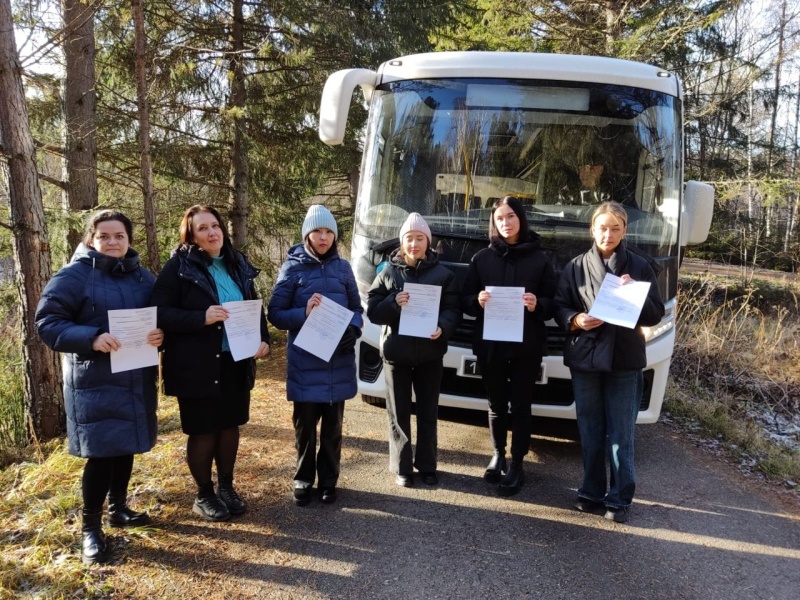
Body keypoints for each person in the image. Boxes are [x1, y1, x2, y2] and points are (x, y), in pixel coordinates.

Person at [35, 210, 163, 565]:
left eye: (119, 235)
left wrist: (160, 335)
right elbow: (47, 322)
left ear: (128, 239)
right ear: (91, 239)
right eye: (104, 235)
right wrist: (91, 338)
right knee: (101, 454)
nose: (112, 241)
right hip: (94, 381)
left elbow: (161, 317)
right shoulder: (74, 276)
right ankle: (90, 528)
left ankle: (119, 508)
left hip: (135, 377)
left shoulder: (143, 278)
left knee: (126, 447)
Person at [152, 205, 270, 522]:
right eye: (202, 228)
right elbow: (159, 313)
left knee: (229, 426)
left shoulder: (237, 264)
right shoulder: (178, 267)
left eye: (215, 225)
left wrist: (264, 341)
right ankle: (204, 494)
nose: (212, 232)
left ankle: (227, 488)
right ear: (190, 235)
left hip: (235, 361)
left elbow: (254, 308)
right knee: (203, 431)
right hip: (195, 365)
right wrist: (200, 318)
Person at [554, 201, 664, 523]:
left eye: (615, 228)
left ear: (625, 230)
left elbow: (655, 313)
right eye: (602, 227)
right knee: (590, 428)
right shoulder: (575, 266)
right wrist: (575, 320)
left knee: (621, 433)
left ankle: (619, 498)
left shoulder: (641, 267)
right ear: (592, 229)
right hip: (586, 358)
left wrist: (637, 294)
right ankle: (590, 491)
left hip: (624, 360)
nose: (608, 234)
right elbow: (559, 306)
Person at [268, 205, 363, 506]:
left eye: (328, 232)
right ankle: (303, 479)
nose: (323, 238)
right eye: (317, 231)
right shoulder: (292, 268)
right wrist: (303, 313)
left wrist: (355, 329)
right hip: (306, 364)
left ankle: (329, 481)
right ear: (307, 234)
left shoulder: (343, 268)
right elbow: (275, 313)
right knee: (305, 428)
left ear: (334, 236)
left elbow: (357, 310)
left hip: (338, 363)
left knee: (333, 430)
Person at [462, 196, 557, 497]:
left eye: (511, 217)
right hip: (491, 345)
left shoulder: (541, 259)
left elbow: (553, 303)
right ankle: (498, 454)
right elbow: (465, 300)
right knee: (495, 404)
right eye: (500, 218)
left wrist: (536, 304)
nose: (505, 223)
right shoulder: (481, 259)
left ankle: (517, 464)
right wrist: (476, 301)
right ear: (494, 222)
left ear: (521, 219)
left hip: (525, 346)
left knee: (521, 405)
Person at [367, 213, 461, 487]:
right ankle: (402, 466)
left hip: (431, 354)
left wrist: (443, 327)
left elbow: (453, 309)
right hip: (397, 354)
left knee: (429, 412)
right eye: (409, 238)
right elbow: (373, 311)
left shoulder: (444, 275)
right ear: (402, 242)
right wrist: (394, 303)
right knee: (398, 414)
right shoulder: (388, 273)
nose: (415, 243)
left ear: (428, 242)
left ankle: (428, 465)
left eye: (420, 238)